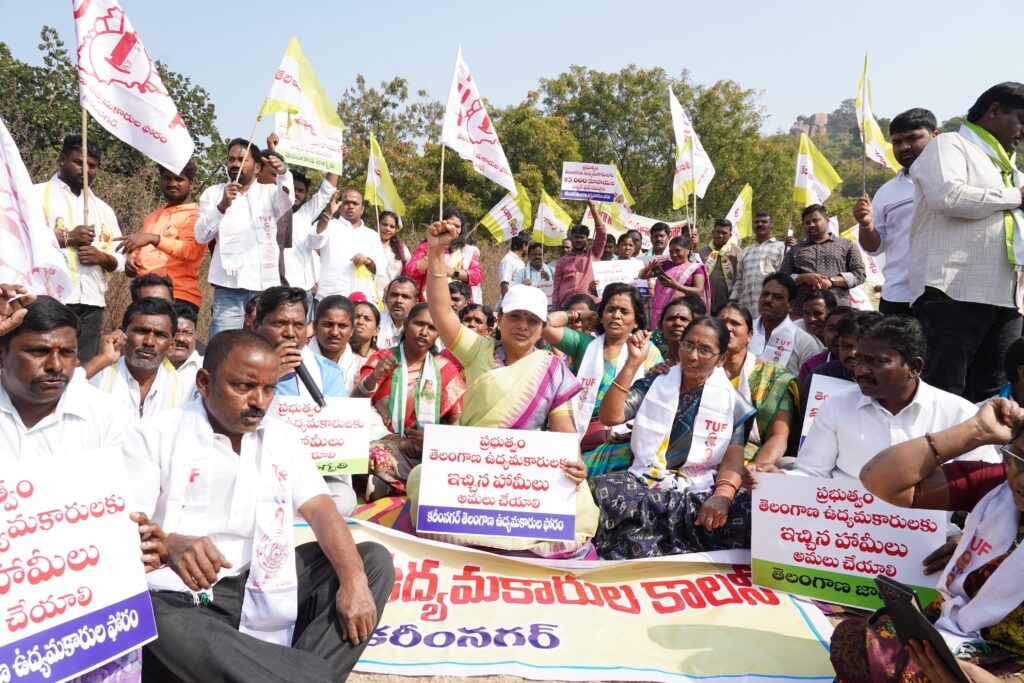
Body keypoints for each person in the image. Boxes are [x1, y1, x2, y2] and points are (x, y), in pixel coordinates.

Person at [123, 330, 394, 683]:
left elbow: (322, 510)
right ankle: (305, 675)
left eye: (268, 389)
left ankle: (276, 673)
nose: (259, 401)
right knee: (147, 619)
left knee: (372, 562)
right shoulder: (155, 435)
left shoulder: (282, 437)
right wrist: (170, 545)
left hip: (264, 581)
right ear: (204, 382)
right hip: (181, 598)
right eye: (244, 387)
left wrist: (354, 580)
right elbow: (128, 529)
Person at [407, 218, 596, 559]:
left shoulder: (552, 369)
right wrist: (436, 253)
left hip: (522, 476)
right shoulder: (476, 349)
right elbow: (440, 310)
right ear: (500, 319)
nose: (523, 326)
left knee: (580, 503)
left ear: (542, 328)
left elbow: (564, 433)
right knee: (425, 480)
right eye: (515, 317)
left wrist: (575, 463)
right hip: (474, 470)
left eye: (533, 321)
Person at [830, 398, 1024, 682]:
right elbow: (880, 479)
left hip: (1009, 667)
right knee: (857, 639)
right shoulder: (996, 486)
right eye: (1018, 459)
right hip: (950, 633)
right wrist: (977, 429)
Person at [589, 319, 756, 559]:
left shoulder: (733, 403)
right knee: (599, 490)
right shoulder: (656, 382)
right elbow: (611, 415)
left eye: (705, 350)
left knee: (747, 511)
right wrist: (633, 362)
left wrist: (722, 497)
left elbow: (732, 461)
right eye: (688, 345)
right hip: (645, 483)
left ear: (720, 359)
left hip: (700, 489)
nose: (693, 355)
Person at [910, 84, 1024, 402]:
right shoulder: (949, 144)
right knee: (943, 391)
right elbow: (948, 196)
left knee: (995, 394)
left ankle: (980, 454)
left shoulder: (1011, 169)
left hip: (1007, 297)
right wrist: (1017, 196)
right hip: (953, 291)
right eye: (1021, 118)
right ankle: (935, 453)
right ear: (994, 110)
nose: (1023, 130)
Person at [792, 316, 998, 482]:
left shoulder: (959, 415)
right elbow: (812, 474)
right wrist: (775, 479)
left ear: (914, 367)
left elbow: (986, 487)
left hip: (929, 531)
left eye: (876, 362)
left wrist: (958, 533)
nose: (861, 370)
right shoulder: (835, 406)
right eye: (859, 359)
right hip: (844, 528)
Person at [252, 287, 355, 516]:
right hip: (251, 471)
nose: (290, 333)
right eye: (279, 324)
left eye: (298, 325)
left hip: (309, 474)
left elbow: (336, 437)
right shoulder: (235, 366)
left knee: (343, 499)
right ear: (257, 325)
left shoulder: (328, 372)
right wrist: (269, 377)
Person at [543, 283, 663, 476]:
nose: (616, 316)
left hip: (621, 441)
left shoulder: (648, 353)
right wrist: (581, 315)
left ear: (636, 321)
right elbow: (544, 324)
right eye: (610, 309)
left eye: (624, 311)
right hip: (578, 435)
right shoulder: (585, 345)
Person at [354, 302, 466, 499]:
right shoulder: (384, 359)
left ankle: (391, 485)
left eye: (432, 328)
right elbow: (356, 404)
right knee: (365, 454)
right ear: (406, 324)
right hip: (387, 444)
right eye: (419, 324)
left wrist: (432, 440)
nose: (424, 332)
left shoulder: (445, 368)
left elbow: (457, 423)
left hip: (430, 451)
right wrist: (375, 376)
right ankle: (401, 483)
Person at [1, 292, 132, 456]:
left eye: (66, 352)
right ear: (2, 353)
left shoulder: (110, 417)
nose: (56, 366)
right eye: (38, 352)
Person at [34, 134, 124, 362]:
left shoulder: (104, 209)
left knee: (80, 369)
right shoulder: (35, 195)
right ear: (61, 159)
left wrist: (102, 257)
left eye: (92, 166)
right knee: (46, 363)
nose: (87, 170)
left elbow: (122, 259)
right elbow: (20, 242)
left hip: (92, 303)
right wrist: (65, 238)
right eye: (79, 162)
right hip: (49, 299)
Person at [195, 138, 293, 338]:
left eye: (242, 159)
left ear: (257, 167)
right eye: (231, 159)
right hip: (229, 287)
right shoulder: (214, 194)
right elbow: (200, 236)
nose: (235, 164)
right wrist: (221, 206)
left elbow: (288, 200)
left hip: (264, 288)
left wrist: (283, 174)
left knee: (265, 344)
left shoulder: (270, 193)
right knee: (224, 345)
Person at [854, 108, 939, 316]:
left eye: (913, 138)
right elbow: (874, 247)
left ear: (935, 136)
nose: (904, 147)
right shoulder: (887, 192)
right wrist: (866, 225)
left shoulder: (956, 178)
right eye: (897, 142)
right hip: (898, 296)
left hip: (945, 295)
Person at [118, 161, 205, 315]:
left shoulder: (197, 216)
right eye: (167, 178)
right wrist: (131, 261)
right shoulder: (152, 217)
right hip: (144, 295)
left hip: (178, 297)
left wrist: (154, 238)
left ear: (192, 183)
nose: (172, 183)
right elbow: (139, 254)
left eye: (179, 179)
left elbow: (191, 252)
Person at [718, 303, 800, 465]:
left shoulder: (775, 377)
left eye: (735, 323)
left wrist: (758, 468)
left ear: (750, 335)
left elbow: (778, 436)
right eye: (721, 323)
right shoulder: (701, 371)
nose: (727, 328)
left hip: (750, 458)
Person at [90, 297, 192, 419]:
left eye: (160, 335)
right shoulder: (99, 378)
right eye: (141, 331)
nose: (149, 342)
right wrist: (103, 359)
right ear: (122, 333)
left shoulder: (183, 392)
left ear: (171, 343)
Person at [779, 204, 866, 314]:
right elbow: (782, 279)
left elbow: (860, 274)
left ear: (827, 220)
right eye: (807, 222)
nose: (811, 225)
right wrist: (802, 278)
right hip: (803, 313)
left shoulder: (847, 245)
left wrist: (832, 281)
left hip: (838, 312)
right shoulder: (795, 250)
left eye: (815, 220)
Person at [316, 188, 387, 302]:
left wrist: (367, 261)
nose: (350, 206)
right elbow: (313, 242)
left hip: (361, 300)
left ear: (362, 208)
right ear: (339, 206)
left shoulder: (372, 235)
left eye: (355, 203)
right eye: (346, 202)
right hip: (329, 296)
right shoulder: (328, 226)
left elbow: (381, 269)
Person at [750, 273, 824, 375]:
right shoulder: (743, 332)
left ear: (791, 305)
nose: (768, 300)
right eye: (765, 294)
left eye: (777, 297)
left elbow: (809, 384)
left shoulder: (805, 343)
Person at [406, 207, 483, 302]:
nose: (453, 228)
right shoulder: (427, 247)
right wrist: (434, 252)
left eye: (457, 226)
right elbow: (411, 270)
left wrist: (451, 272)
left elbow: (477, 275)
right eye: (449, 224)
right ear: (442, 224)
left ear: (461, 229)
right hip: (429, 301)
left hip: (457, 303)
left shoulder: (466, 250)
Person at [801, 310, 878, 398]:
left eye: (859, 347)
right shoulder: (820, 376)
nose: (852, 353)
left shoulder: (889, 381)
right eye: (846, 346)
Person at [642, 235, 710, 327]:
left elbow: (699, 291)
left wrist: (676, 286)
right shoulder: (666, 265)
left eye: (677, 251)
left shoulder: (696, 268)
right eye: (671, 252)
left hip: (684, 312)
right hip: (660, 311)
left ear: (687, 249)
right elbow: (643, 276)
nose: (674, 255)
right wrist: (647, 269)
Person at [553, 199, 607, 308]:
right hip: (567, 307)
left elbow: (602, 233)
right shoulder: (562, 261)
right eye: (575, 237)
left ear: (587, 239)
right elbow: (556, 288)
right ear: (571, 238)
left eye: (582, 237)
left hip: (591, 306)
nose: (578, 240)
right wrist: (554, 308)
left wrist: (593, 209)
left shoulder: (594, 253)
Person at [731, 212, 785, 313]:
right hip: (745, 309)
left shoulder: (781, 247)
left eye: (764, 221)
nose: (760, 224)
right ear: (753, 226)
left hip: (770, 307)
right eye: (756, 222)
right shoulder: (746, 251)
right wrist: (732, 299)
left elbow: (784, 278)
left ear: (771, 227)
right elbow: (739, 280)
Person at [310, 296, 362, 394]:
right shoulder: (296, 363)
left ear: (352, 330)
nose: (334, 332)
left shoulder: (361, 367)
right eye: (328, 325)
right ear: (315, 326)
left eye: (342, 326)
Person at [798, 305, 853, 384]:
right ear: (823, 331)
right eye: (832, 329)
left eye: (845, 329)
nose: (837, 334)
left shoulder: (865, 367)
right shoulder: (811, 366)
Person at [700, 219, 738, 313]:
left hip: (728, 305)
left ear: (730, 235)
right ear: (713, 233)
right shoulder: (701, 253)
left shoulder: (738, 254)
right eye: (718, 232)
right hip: (702, 304)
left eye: (724, 233)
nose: (720, 235)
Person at [651, 295, 707, 361]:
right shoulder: (650, 357)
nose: (677, 323)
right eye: (671, 318)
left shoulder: (704, 362)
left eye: (683, 319)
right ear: (660, 326)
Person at [373, 210, 411, 297]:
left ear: (396, 229)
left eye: (392, 226)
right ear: (377, 224)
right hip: (369, 295)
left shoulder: (402, 249)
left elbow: (410, 271)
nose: (388, 229)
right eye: (384, 224)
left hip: (393, 297)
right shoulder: (367, 244)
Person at [377, 276, 419, 350]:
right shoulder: (374, 321)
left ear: (416, 303)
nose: (399, 300)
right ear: (386, 298)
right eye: (394, 295)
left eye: (405, 296)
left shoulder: (421, 327)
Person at [169, 301, 202, 389]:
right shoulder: (150, 366)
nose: (181, 338)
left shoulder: (205, 367)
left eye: (187, 333)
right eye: (175, 332)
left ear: (195, 336)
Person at [498, 233, 528, 302]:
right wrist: (506, 304)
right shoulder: (508, 260)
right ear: (524, 246)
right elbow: (504, 283)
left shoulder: (520, 262)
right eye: (527, 246)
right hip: (510, 304)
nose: (527, 249)